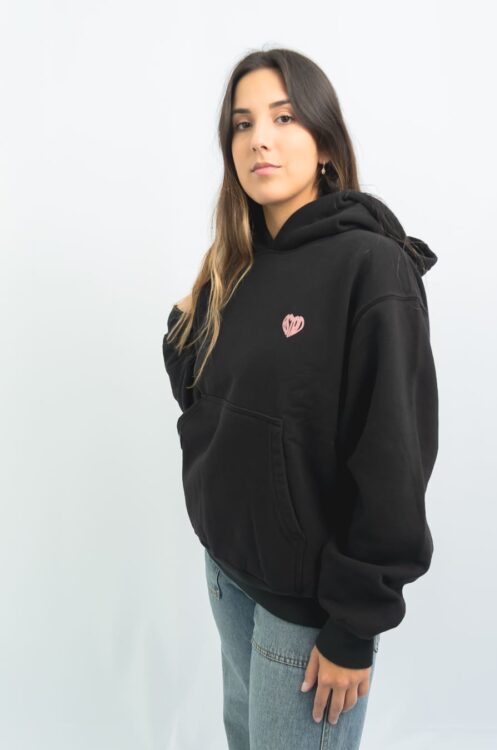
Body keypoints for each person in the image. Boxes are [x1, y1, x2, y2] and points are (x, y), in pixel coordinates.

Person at [162, 47, 439, 750]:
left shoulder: (372, 268)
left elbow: (393, 457)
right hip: (228, 574)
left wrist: (353, 628)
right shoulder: (240, 262)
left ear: (325, 143)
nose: (260, 138)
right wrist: (184, 328)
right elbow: (209, 405)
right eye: (243, 123)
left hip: (307, 612)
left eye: (284, 118)